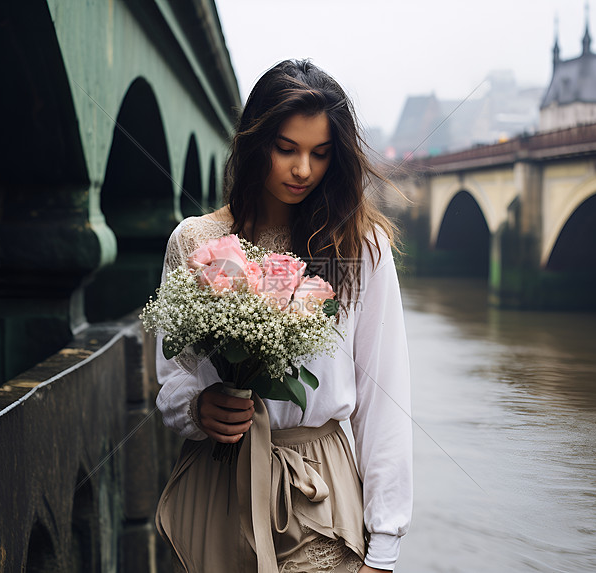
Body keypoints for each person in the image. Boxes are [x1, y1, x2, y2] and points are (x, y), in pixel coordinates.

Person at [154, 59, 412, 573]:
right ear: (255, 144)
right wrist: (198, 408)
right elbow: (171, 378)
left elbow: (386, 399)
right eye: (286, 149)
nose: (303, 170)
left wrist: (384, 546)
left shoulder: (361, 248)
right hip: (218, 483)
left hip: (317, 487)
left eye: (320, 154)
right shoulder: (194, 241)